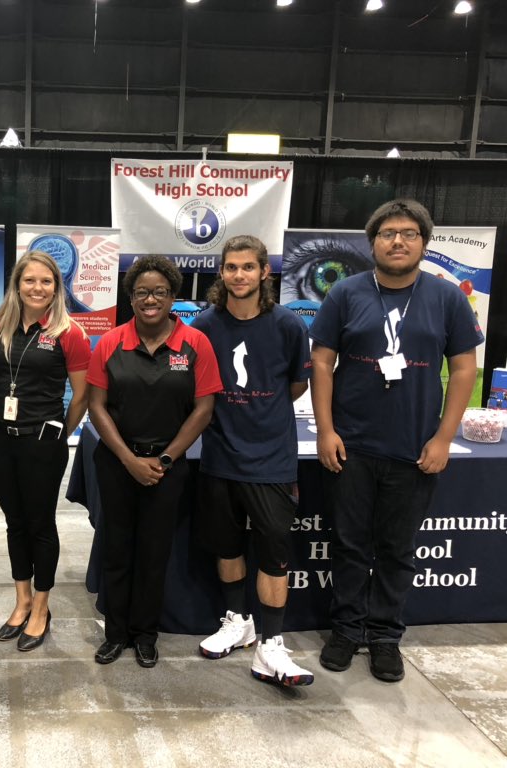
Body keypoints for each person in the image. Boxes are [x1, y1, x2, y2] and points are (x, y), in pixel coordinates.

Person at [310, 199, 483, 682]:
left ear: (424, 243)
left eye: (409, 233)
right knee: (347, 545)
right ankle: (346, 629)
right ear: (373, 243)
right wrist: (326, 430)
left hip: (413, 449)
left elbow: (464, 368)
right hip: (352, 446)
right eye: (388, 233)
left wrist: (444, 438)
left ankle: (385, 636)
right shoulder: (345, 292)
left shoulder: (447, 298)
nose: (399, 241)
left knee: (396, 548)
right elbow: (322, 362)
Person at [191, 235, 314, 687]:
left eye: (248, 267)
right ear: (220, 273)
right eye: (230, 267)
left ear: (265, 272)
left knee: (274, 555)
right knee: (227, 547)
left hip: (272, 461)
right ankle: (237, 621)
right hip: (220, 457)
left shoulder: (288, 325)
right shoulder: (204, 325)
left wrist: (260, 410)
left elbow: (297, 386)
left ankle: (271, 645)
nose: (238, 275)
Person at [87, 256, 221, 668]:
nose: (150, 299)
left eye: (159, 292)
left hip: (168, 466)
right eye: (142, 292)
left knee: (154, 552)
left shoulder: (195, 344)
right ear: (130, 298)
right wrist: (128, 459)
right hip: (117, 464)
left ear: (173, 297)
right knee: (117, 549)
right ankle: (116, 633)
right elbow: (96, 406)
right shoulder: (111, 342)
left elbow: (203, 409)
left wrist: (163, 458)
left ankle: (146, 634)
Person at [0, 251, 91, 652]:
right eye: (29, 280)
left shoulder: (70, 333)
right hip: (1, 437)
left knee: (40, 524)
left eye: (46, 281)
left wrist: (61, 432)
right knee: (14, 522)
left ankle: (42, 608)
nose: (37, 288)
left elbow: (81, 395)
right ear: (17, 285)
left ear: (56, 287)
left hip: (43, 440)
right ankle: (22, 600)